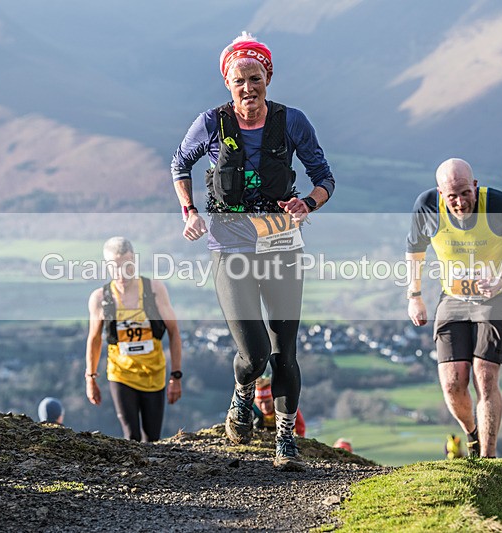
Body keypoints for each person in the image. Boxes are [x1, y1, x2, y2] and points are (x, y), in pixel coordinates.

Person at [171, 32, 335, 470]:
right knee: (255, 353)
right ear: (228, 83)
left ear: (268, 78)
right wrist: (189, 211)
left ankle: (285, 440)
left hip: (281, 244)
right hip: (230, 245)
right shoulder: (210, 123)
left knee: (285, 351)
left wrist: (308, 202)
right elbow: (179, 164)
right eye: (239, 80)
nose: (248, 87)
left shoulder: (292, 121)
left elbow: (324, 177)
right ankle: (242, 392)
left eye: (255, 78)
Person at [406, 158, 502, 458]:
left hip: (497, 296)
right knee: (452, 383)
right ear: (440, 193)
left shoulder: (499, 205)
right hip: (453, 297)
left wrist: (501, 280)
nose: (460, 202)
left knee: (485, 375)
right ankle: (472, 434)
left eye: (466, 193)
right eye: (452, 196)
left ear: (475, 185)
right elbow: (415, 251)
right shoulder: (427, 206)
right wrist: (414, 296)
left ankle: (488, 458)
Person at [85, 237, 183, 442]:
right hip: (121, 374)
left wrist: (176, 376)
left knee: (152, 438)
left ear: (135, 262)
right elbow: (94, 339)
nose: (122, 273)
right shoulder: (100, 298)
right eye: (115, 267)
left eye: (127, 266)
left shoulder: (154, 290)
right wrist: (90, 378)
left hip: (153, 373)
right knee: (131, 436)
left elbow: (174, 331)